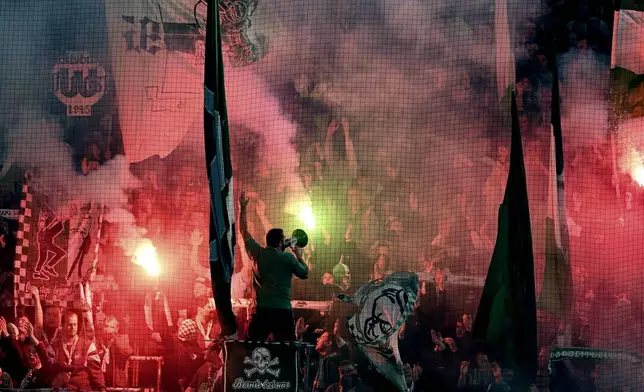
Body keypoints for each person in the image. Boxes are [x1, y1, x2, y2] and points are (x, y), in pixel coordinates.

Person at [239, 192, 309, 341]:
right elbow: (305, 273)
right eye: (284, 239)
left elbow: (244, 232)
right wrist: (298, 255)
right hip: (282, 311)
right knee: (287, 349)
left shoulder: (257, 253)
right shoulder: (288, 258)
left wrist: (243, 208)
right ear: (280, 242)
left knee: (252, 346)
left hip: (262, 310)